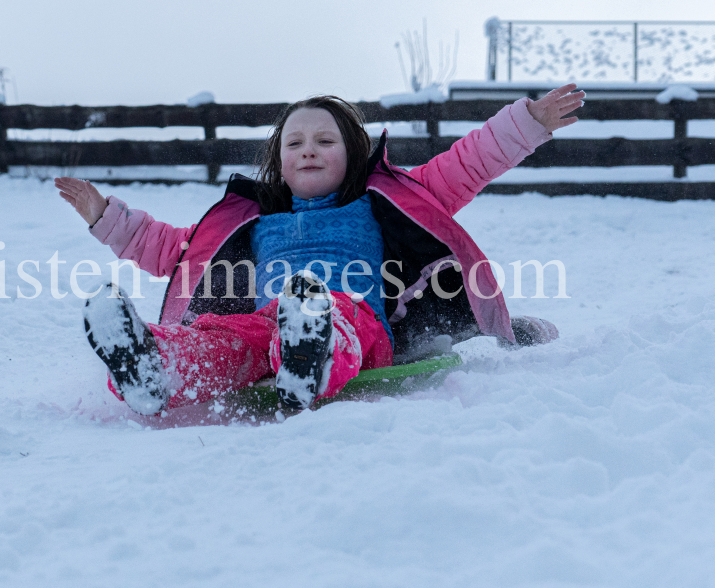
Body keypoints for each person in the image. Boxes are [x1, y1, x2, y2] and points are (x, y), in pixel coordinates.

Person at [55, 84, 584, 415]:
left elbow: (467, 162)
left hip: (359, 324)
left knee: (331, 317)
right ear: (279, 160)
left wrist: (528, 123)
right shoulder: (254, 220)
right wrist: (107, 218)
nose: (309, 149)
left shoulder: (382, 198)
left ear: (351, 154)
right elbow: (173, 251)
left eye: (325, 141)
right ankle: (155, 364)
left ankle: (312, 355)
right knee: (229, 338)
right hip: (272, 320)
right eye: (295, 142)